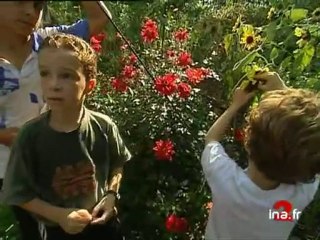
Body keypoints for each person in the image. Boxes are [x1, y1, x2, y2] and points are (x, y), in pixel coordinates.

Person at [3, 33, 131, 240]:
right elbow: (19, 194)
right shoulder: (30, 137)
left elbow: (117, 163)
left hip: (103, 226)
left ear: (89, 84)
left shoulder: (104, 126)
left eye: (66, 75)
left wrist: (111, 195)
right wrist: (61, 216)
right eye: (45, 73)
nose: (53, 84)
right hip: (58, 231)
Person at [201, 71, 320, 239]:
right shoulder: (302, 193)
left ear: (247, 140)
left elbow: (211, 139)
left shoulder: (225, 180)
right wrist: (283, 92)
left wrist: (235, 105)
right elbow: (311, 140)